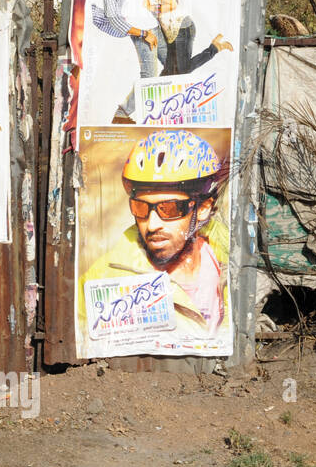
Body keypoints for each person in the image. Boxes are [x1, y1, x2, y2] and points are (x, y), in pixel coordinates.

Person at [79, 130, 228, 340]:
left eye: (169, 208)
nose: (152, 224)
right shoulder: (104, 278)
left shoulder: (232, 259)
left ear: (203, 208)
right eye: (140, 208)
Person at [91, 0, 160, 122]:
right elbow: (113, 18)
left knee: (175, 66)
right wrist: (143, 34)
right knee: (149, 75)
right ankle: (123, 113)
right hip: (141, 31)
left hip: (155, 24)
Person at [142, 0, 233, 76]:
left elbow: (172, 4)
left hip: (181, 29)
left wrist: (151, 7)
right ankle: (157, 94)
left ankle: (215, 48)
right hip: (174, 30)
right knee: (170, 72)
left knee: (182, 70)